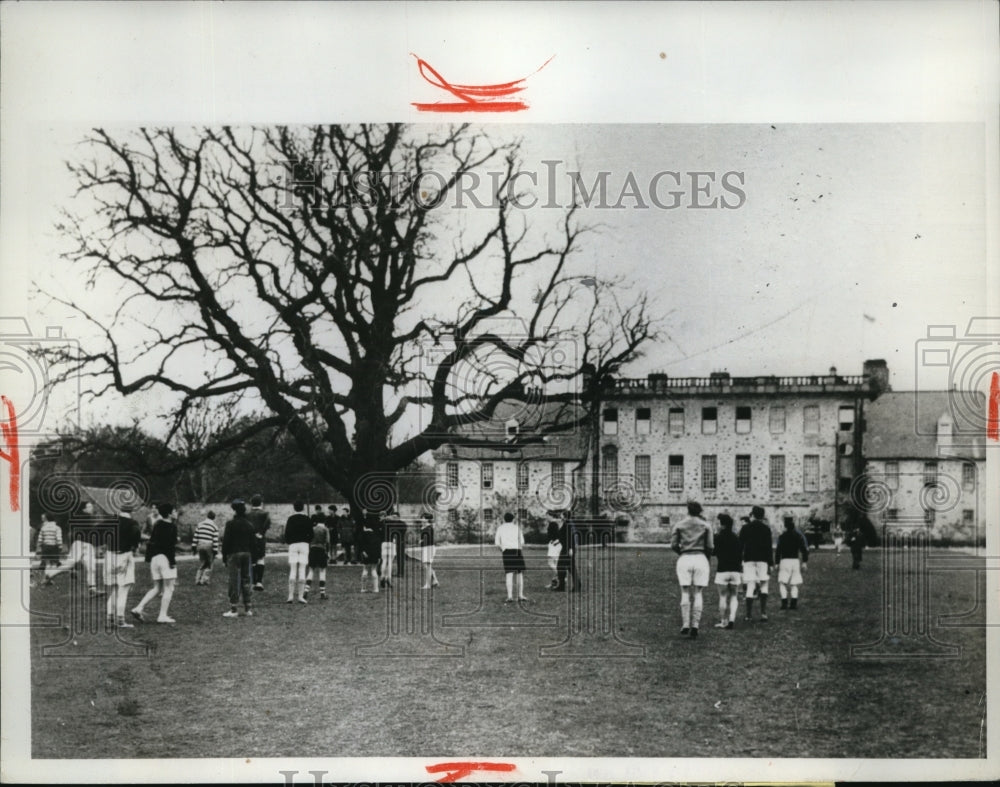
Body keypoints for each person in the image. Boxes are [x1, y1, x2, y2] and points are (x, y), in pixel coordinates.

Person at [671, 501, 714, 639]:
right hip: (700, 558)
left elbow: (673, 544)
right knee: (698, 592)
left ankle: (685, 624)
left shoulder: (679, 524)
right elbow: (710, 546)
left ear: (688, 510)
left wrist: (682, 552)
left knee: (684, 591)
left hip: (685, 558)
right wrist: (706, 557)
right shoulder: (706, 525)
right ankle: (695, 625)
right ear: (700, 511)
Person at [131, 502, 179, 624]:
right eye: (174, 511)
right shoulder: (172, 526)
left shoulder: (157, 525)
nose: (176, 513)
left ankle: (138, 608)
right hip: (165, 559)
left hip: (155, 559)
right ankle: (162, 615)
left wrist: (148, 558)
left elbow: (151, 542)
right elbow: (170, 547)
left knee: (157, 588)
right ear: (169, 514)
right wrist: (172, 562)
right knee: (169, 588)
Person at [104, 504, 142, 628]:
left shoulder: (111, 521)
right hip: (124, 555)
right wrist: (135, 545)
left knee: (114, 589)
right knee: (123, 590)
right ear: (132, 511)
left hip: (109, 556)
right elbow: (136, 534)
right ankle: (120, 620)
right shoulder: (132, 523)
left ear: (120, 510)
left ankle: (109, 619)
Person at [739, 505, 774, 622]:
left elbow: (740, 546)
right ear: (762, 516)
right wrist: (771, 563)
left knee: (750, 585)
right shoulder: (766, 529)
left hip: (748, 559)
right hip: (763, 560)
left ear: (753, 515)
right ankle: (763, 613)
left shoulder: (745, 528)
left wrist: (740, 560)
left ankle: (748, 615)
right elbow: (769, 548)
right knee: (764, 585)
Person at [222, 499, 255, 617]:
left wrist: (224, 556)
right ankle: (248, 608)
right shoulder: (249, 525)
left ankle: (233, 608)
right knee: (246, 580)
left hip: (234, 553)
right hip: (247, 553)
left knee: (234, 580)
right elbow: (253, 542)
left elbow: (226, 542)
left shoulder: (230, 524)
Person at [712, 513, 741, 629]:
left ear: (721, 524)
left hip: (722, 570)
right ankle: (732, 619)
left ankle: (723, 621)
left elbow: (713, 552)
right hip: (735, 570)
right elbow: (740, 554)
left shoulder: (718, 537)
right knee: (734, 596)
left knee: (723, 596)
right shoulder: (736, 537)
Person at [776, 516, 809, 610]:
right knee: (794, 583)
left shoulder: (782, 537)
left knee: (782, 583)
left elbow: (778, 551)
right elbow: (804, 549)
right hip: (795, 561)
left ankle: (784, 603)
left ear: (785, 526)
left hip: (784, 561)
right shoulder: (798, 536)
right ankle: (793, 604)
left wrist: (777, 562)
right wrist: (805, 562)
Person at [494, 512, 528, 603]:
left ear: (504, 519)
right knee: (519, 574)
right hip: (517, 551)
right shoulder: (516, 528)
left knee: (509, 574)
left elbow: (497, 543)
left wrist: (503, 550)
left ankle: (510, 596)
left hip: (507, 552)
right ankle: (520, 595)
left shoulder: (500, 528)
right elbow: (522, 542)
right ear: (513, 519)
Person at [284, 501, 313, 604]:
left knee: (293, 570)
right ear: (303, 508)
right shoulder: (307, 519)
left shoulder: (291, 519)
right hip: (304, 545)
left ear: (294, 508)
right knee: (302, 569)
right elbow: (311, 533)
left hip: (293, 545)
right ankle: (300, 596)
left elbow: (286, 533)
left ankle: (290, 596)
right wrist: (307, 541)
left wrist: (290, 542)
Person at [246, 495, 271, 591]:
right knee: (260, 558)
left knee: (252, 560)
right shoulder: (265, 513)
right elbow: (268, 522)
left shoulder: (247, 514)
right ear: (261, 503)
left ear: (251, 503)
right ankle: (259, 582)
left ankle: (253, 582)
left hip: (250, 539)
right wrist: (261, 533)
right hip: (260, 539)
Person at [305, 506, 331, 600]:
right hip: (321, 550)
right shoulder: (325, 529)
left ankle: (306, 591)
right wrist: (327, 552)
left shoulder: (313, 528)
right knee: (322, 571)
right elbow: (328, 542)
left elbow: (309, 540)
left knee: (311, 570)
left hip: (312, 549)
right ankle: (322, 593)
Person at [554, 511, 581, 592]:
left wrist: (571, 549)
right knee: (566, 567)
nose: (560, 516)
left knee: (566, 567)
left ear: (565, 516)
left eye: (561, 515)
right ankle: (563, 586)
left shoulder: (568, 524)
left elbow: (571, 537)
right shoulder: (567, 523)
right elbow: (564, 536)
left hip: (568, 549)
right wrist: (558, 541)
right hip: (566, 548)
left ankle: (574, 586)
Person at [192, 511, 220, 586]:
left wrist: (194, 547)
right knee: (210, 563)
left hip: (200, 544)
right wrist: (215, 550)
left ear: (207, 516)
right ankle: (204, 580)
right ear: (214, 517)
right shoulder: (214, 526)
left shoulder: (200, 524)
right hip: (209, 545)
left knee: (203, 562)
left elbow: (195, 537)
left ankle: (197, 579)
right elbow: (215, 540)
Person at [35, 512, 63, 586]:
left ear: (47, 519)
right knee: (53, 564)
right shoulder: (57, 528)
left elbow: (40, 539)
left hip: (45, 547)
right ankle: (49, 578)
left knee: (47, 564)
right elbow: (58, 538)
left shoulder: (43, 528)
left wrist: (39, 547)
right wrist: (60, 546)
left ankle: (47, 579)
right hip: (54, 547)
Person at [359, 513, 382, 593]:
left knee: (365, 570)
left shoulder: (363, 534)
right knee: (374, 570)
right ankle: (376, 588)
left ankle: (363, 588)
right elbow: (379, 547)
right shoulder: (376, 535)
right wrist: (379, 556)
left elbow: (361, 545)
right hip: (375, 554)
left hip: (366, 553)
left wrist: (363, 552)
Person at [419, 512, 440, 590]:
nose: (421, 519)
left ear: (427, 519)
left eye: (423, 518)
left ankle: (428, 584)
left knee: (427, 566)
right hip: (426, 547)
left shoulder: (429, 528)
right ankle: (435, 581)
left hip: (429, 547)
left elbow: (428, 538)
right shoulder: (424, 527)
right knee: (426, 566)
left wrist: (422, 541)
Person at [379, 512, 398, 588]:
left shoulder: (381, 524)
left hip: (384, 543)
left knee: (384, 561)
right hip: (391, 543)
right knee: (390, 562)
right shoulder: (393, 524)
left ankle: (382, 577)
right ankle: (388, 578)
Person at [545, 519, 562, 590]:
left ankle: (561, 575)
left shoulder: (553, 538)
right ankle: (554, 582)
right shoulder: (558, 535)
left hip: (554, 548)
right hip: (557, 547)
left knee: (551, 564)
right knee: (555, 564)